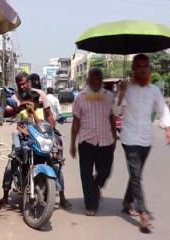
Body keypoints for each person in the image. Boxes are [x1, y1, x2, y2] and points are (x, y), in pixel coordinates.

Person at [118, 54, 170, 233]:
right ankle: (142, 213)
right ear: (133, 69)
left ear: (149, 69)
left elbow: (163, 109)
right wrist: (121, 94)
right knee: (136, 174)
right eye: (138, 66)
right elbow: (116, 111)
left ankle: (127, 201)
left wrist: (168, 128)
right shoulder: (126, 88)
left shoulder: (154, 90)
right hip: (129, 138)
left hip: (146, 139)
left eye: (145, 66)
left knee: (136, 174)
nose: (142, 69)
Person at [2, 72, 55, 204]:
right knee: (13, 160)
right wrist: (19, 107)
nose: (22, 86)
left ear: (29, 82)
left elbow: (49, 116)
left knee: (54, 160)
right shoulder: (15, 97)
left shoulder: (40, 95)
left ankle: (61, 193)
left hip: (39, 135)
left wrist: (51, 133)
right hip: (22, 136)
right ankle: (5, 194)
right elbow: (6, 113)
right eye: (20, 84)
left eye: (24, 83)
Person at [70, 68, 117, 216]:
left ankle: (97, 185)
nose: (96, 81)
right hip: (86, 142)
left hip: (106, 141)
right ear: (88, 80)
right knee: (86, 174)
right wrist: (72, 143)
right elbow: (76, 121)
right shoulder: (80, 98)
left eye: (99, 78)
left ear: (102, 80)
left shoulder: (109, 97)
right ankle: (91, 205)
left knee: (105, 172)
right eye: (93, 79)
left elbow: (112, 118)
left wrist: (114, 138)